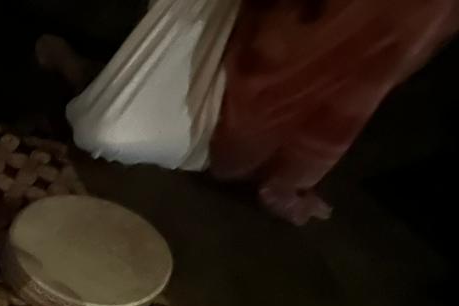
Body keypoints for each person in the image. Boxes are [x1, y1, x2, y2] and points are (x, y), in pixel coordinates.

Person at [45, 0, 459, 225]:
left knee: (103, 130)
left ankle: (95, 77)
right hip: (244, 48)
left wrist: (290, 180)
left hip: (250, 99)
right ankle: (106, 71)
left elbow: (345, 97)